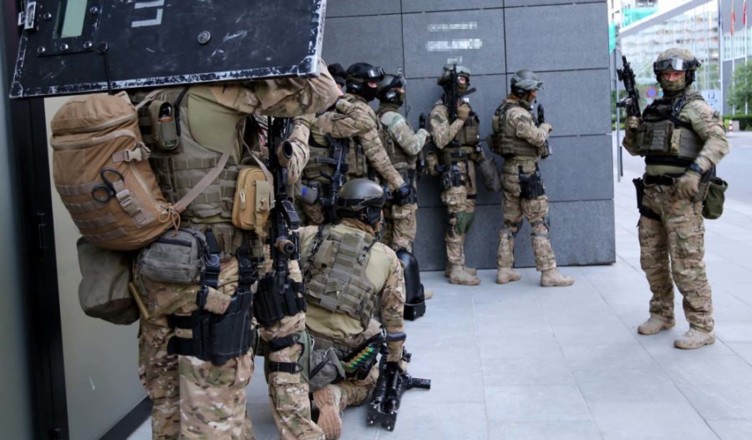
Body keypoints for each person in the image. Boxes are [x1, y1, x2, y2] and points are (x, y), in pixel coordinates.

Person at [131, 64, 340, 440]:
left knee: (168, 402)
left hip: (157, 266)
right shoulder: (223, 92)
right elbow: (323, 91)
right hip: (215, 271)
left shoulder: (137, 94)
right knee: (215, 415)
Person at [622, 48, 729, 349]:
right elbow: (635, 149)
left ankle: (701, 325)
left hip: (681, 197)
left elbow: (719, 140)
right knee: (651, 260)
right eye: (666, 73)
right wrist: (632, 129)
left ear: (688, 74)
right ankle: (662, 313)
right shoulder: (654, 109)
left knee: (686, 264)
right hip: (652, 196)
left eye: (677, 73)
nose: (671, 78)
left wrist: (695, 171)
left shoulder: (695, 108)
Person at [297, 178, 407, 440]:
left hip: (296, 349)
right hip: (338, 357)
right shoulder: (387, 257)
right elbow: (393, 321)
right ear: (370, 215)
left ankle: (303, 393)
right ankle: (337, 395)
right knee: (372, 375)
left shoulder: (306, 235)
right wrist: (396, 359)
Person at [488, 69, 574, 287]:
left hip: (510, 172)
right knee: (539, 223)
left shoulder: (501, 111)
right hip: (525, 173)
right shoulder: (518, 114)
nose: (535, 94)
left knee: (510, 223)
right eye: (532, 90)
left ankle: (504, 270)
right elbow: (536, 138)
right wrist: (545, 127)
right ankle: (549, 272)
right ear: (522, 91)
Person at [300, 62, 412, 225]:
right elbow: (375, 151)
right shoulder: (356, 109)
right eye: (372, 83)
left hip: (327, 190)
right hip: (352, 190)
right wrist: (399, 183)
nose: (376, 87)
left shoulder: (333, 108)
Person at [428, 65, 482, 285]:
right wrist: (459, 119)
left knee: (467, 217)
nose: (463, 83)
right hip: (453, 170)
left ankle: (455, 264)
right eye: (459, 79)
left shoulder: (463, 106)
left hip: (468, 169)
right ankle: (456, 268)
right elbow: (440, 140)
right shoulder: (440, 111)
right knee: (457, 218)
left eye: (465, 80)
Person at [375, 72, 430, 253]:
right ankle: (402, 271)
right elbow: (412, 147)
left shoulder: (377, 117)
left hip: (385, 183)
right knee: (403, 237)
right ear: (391, 93)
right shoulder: (393, 118)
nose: (403, 92)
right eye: (399, 89)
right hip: (402, 183)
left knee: (386, 235)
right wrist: (423, 132)